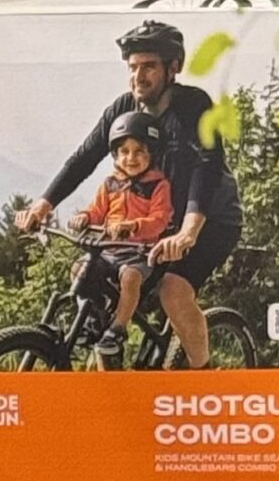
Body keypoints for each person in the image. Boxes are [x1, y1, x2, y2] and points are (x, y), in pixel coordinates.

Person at [17, 18, 243, 372]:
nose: (139, 76)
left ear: (173, 68)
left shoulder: (194, 105)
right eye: (133, 67)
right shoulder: (122, 109)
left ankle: (203, 377)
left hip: (211, 218)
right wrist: (43, 205)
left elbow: (207, 166)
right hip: (153, 220)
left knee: (173, 289)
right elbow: (84, 157)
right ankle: (110, 358)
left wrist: (188, 232)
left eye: (149, 66)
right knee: (88, 273)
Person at [76, 112, 176, 343]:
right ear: (115, 155)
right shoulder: (110, 184)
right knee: (79, 269)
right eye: (124, 151)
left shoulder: (158, 185)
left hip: (139, 254)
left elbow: (159, 220)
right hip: (108, 250)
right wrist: (84, 217)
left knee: (130, 278)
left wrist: (133, 226)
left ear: (152, 154)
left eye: (139, 151)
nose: (131, 158)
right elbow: (97, 211)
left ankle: (118, 328)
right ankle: (94, 315)